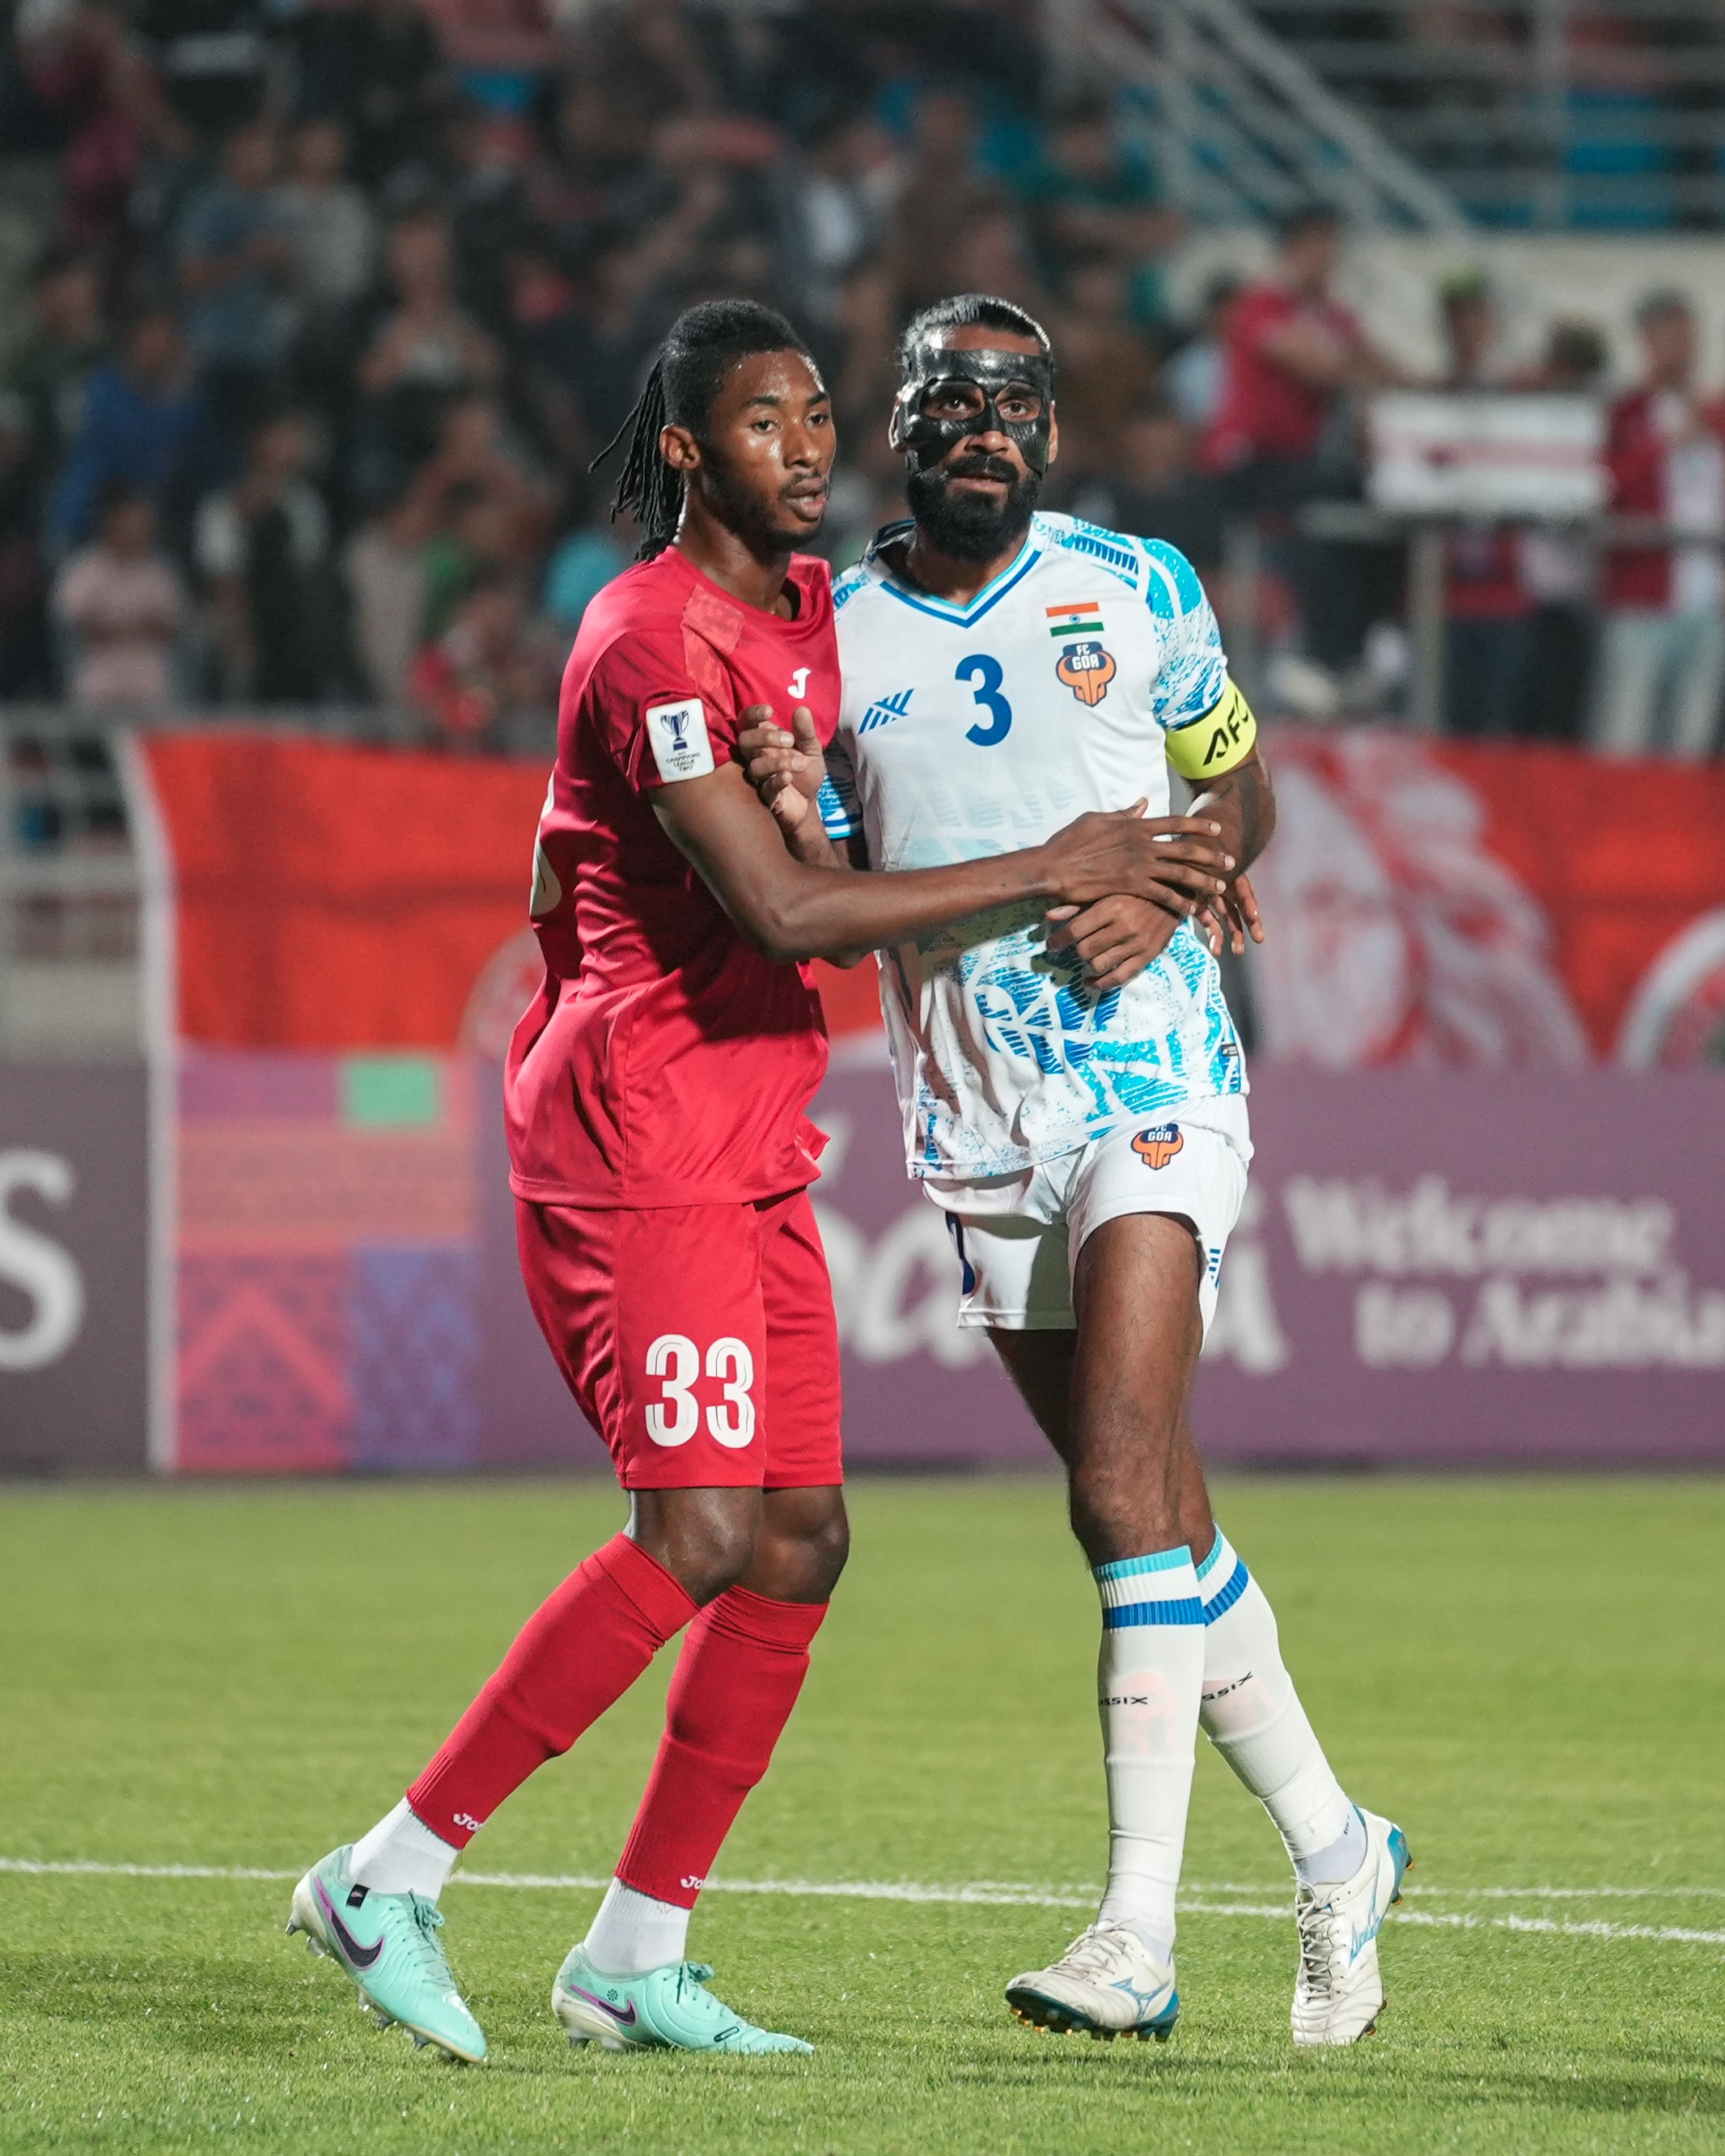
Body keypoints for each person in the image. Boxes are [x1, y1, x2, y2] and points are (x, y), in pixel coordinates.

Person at [286, 296, 1233, 2065]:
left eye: (816, 416)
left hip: (753, 1128)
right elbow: (786, 914)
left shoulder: (813, 615)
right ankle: (390, 1871)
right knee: (702, 1530)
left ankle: (634, 1954)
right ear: (684, 448)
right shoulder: (645, 640)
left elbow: (828, 843)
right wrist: (1061, 860)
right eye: (763, 422)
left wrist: (1148, 854)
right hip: (634, 1130)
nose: (804, 448)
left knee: (798, 1544)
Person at [741, 293, 1408, 2049]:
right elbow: (820, 880)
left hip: (1153, 1078)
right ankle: (1341, 1850)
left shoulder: (1140, 587)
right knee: (1157, 1509)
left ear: (1049, 431)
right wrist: (786, 797)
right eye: (956, 405)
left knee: (1116, 1489)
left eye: (1017, 408)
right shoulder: (829, 630)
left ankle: (1133, 1933)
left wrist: (1185, 871)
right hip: (973, 1124)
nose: (988, 433)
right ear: (903, 425)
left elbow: (1237, 789)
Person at [1591, 290, 1725, 760]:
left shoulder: (1715, 413)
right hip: (1642, 598)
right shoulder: (1624, 412)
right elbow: (1607, 488)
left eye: (1690, 335)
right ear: (1646, 341)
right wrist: (1667, 442)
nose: (1684, 346)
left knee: (1690, 747)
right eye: (1671, 335)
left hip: (1706, 602)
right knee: (1624, 740)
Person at [193, 410, 330, 702]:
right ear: (258, 442)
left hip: (292, 631)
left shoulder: (306, 503)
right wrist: (241, 638)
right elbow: (223, 580)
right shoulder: (221, 507)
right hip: (240, 624)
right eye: (283, 435)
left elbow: (308, 575)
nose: (294, 444)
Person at [51, 479, 185, 709]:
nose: (139, 527)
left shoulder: (161, 573)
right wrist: (138, 625)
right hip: (97, 689)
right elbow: (80, 628)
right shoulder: (84, 570)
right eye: (131, 520)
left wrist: (115, 625)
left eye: (144, 521)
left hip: (151, 690)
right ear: (111, 521)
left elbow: (169, 627)